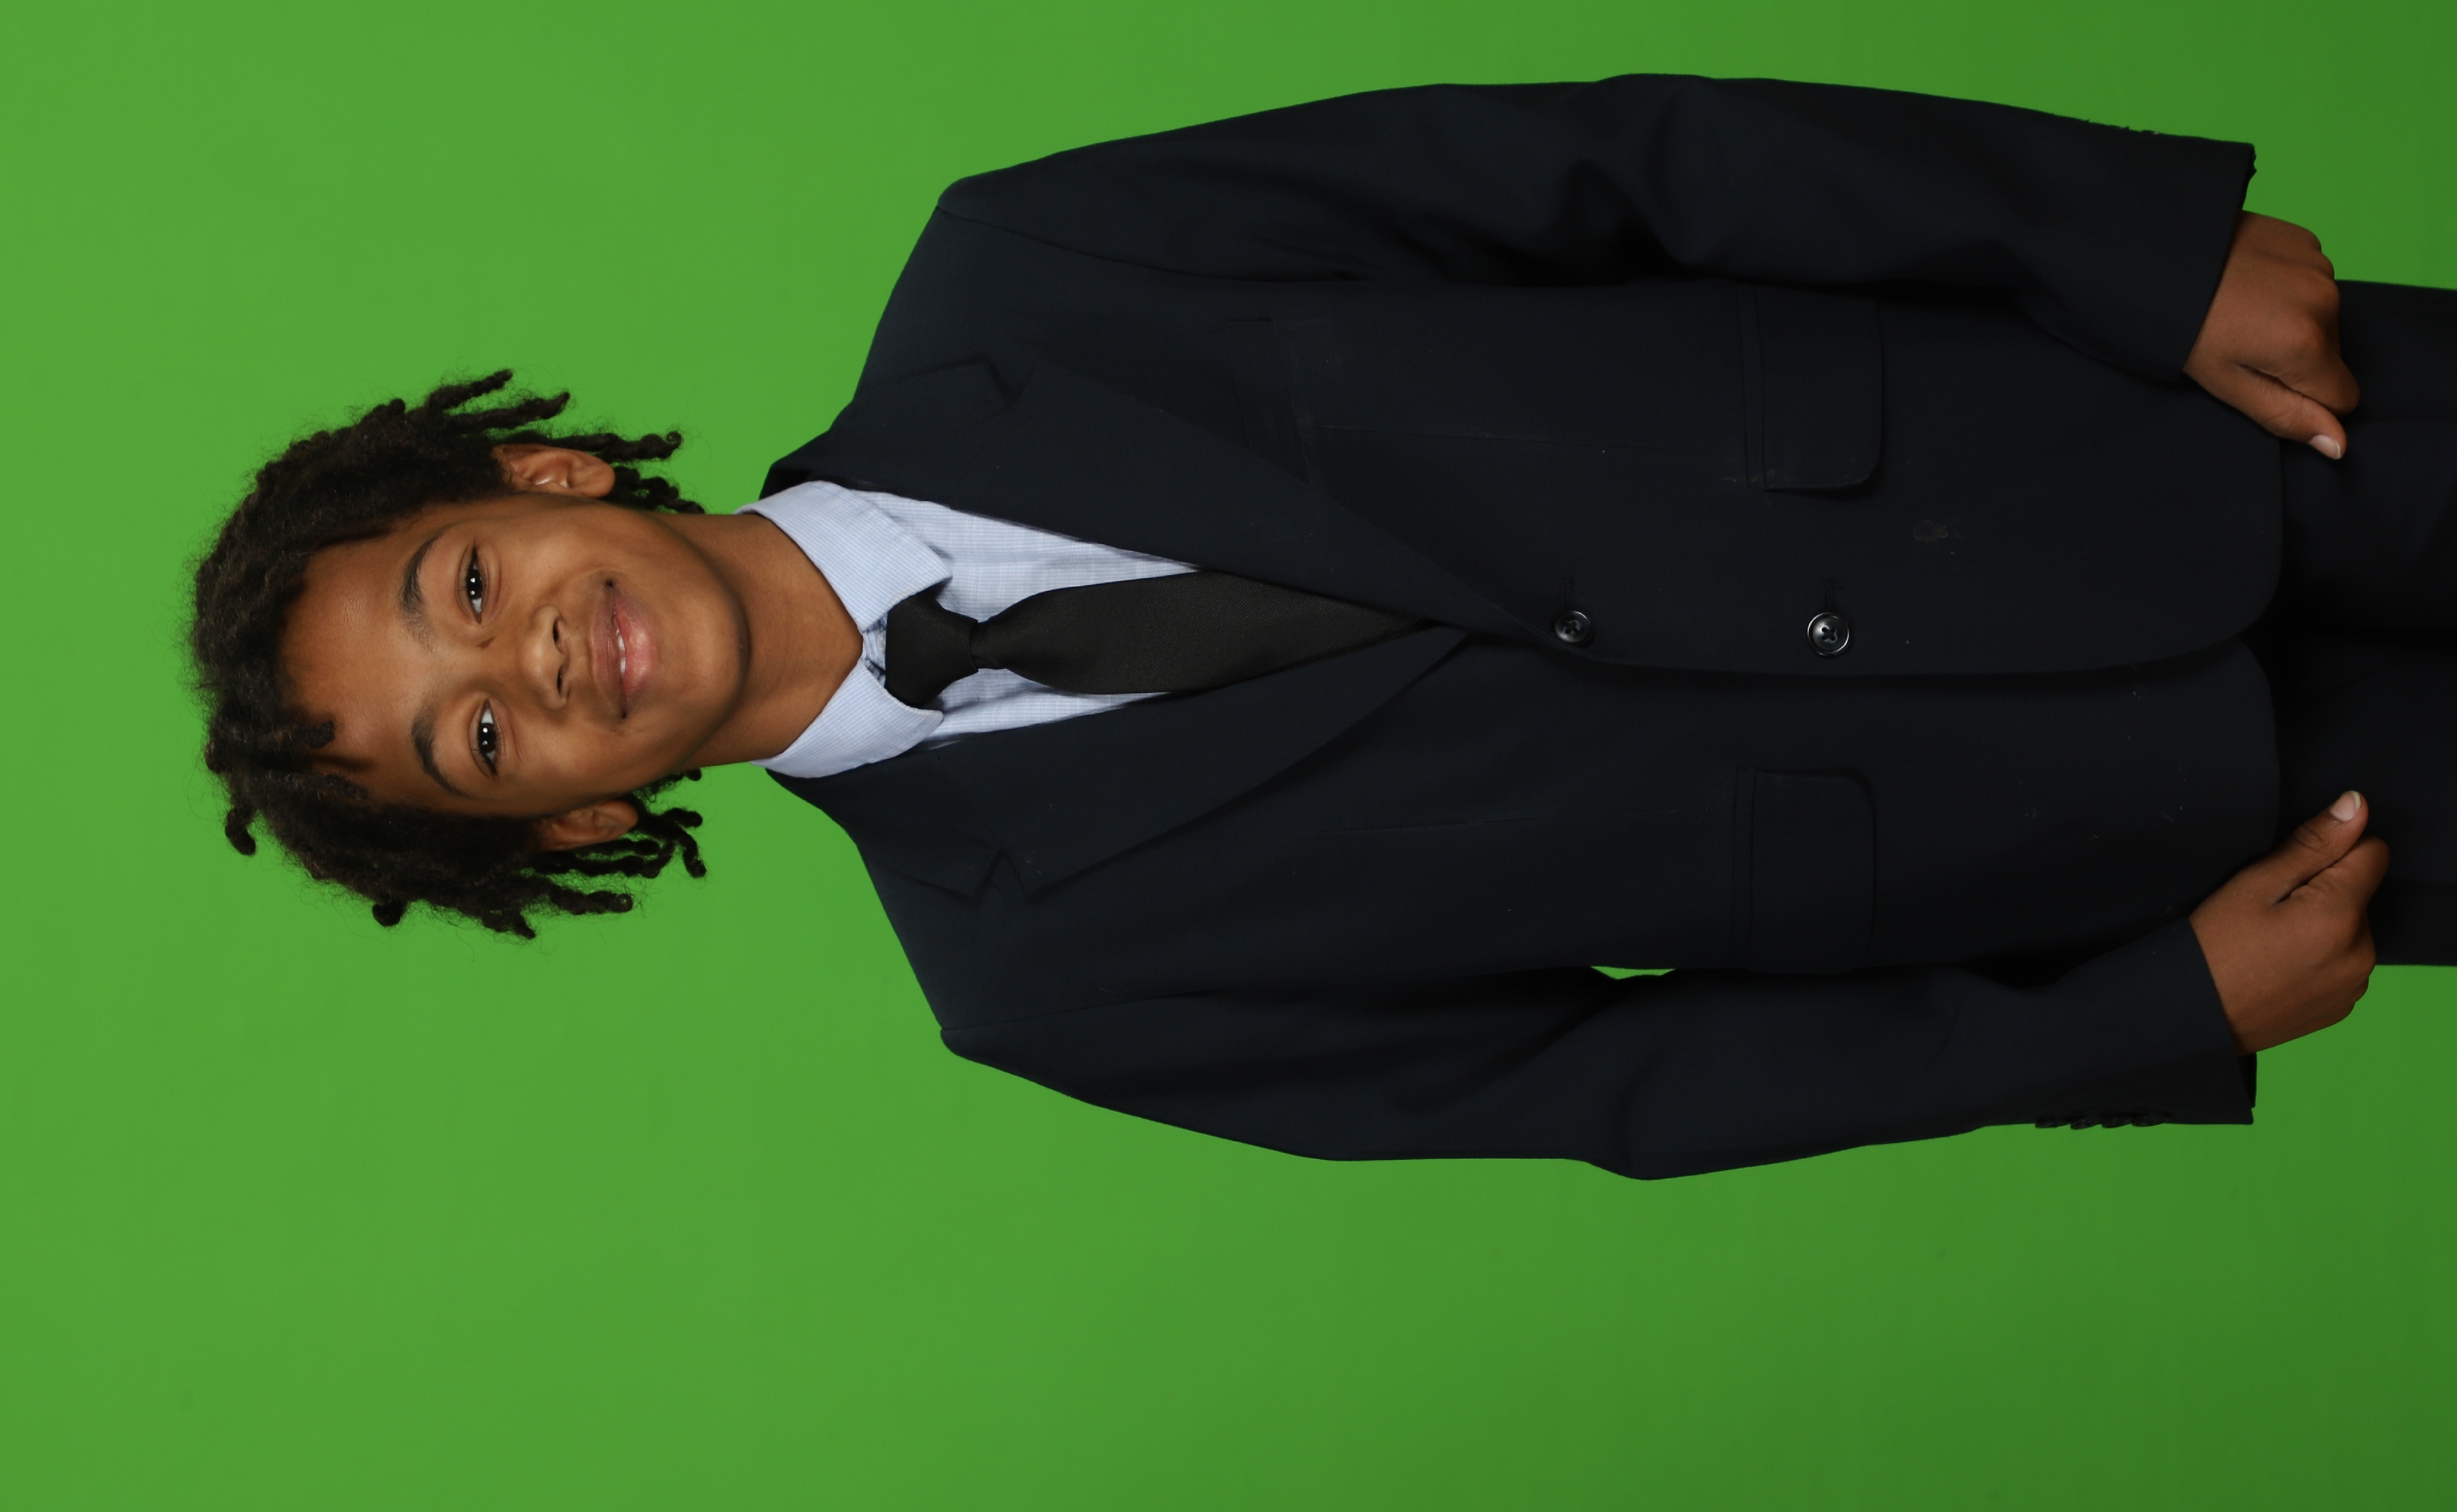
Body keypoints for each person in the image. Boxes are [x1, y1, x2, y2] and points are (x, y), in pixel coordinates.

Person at [193, 75, 2457, 1178]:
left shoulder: (1028, 272)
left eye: (461, 590)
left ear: (542, 480)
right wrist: (2135, 1020)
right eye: (477, 742)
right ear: (572, 832)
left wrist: (2119, 246)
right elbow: (1618, 1087)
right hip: (2141, 843)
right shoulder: (1043, 983)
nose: (524, 662)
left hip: (2126, 416)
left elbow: (1612, 163)